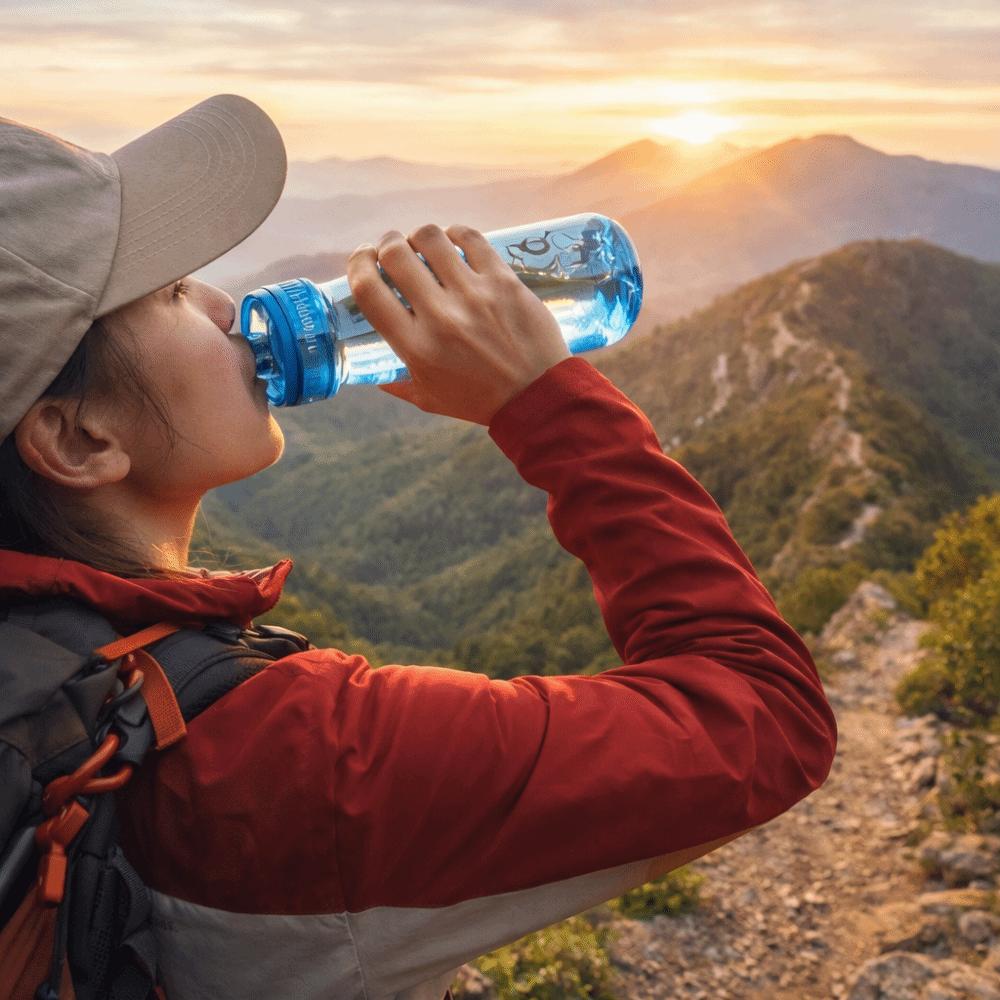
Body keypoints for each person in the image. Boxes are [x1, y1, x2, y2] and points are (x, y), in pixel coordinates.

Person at [0, 95, 839, 1000]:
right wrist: (546, 405)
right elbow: (764, 716)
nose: (220, 301)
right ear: (78, 439)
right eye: (169, 293)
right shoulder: (299, 760)